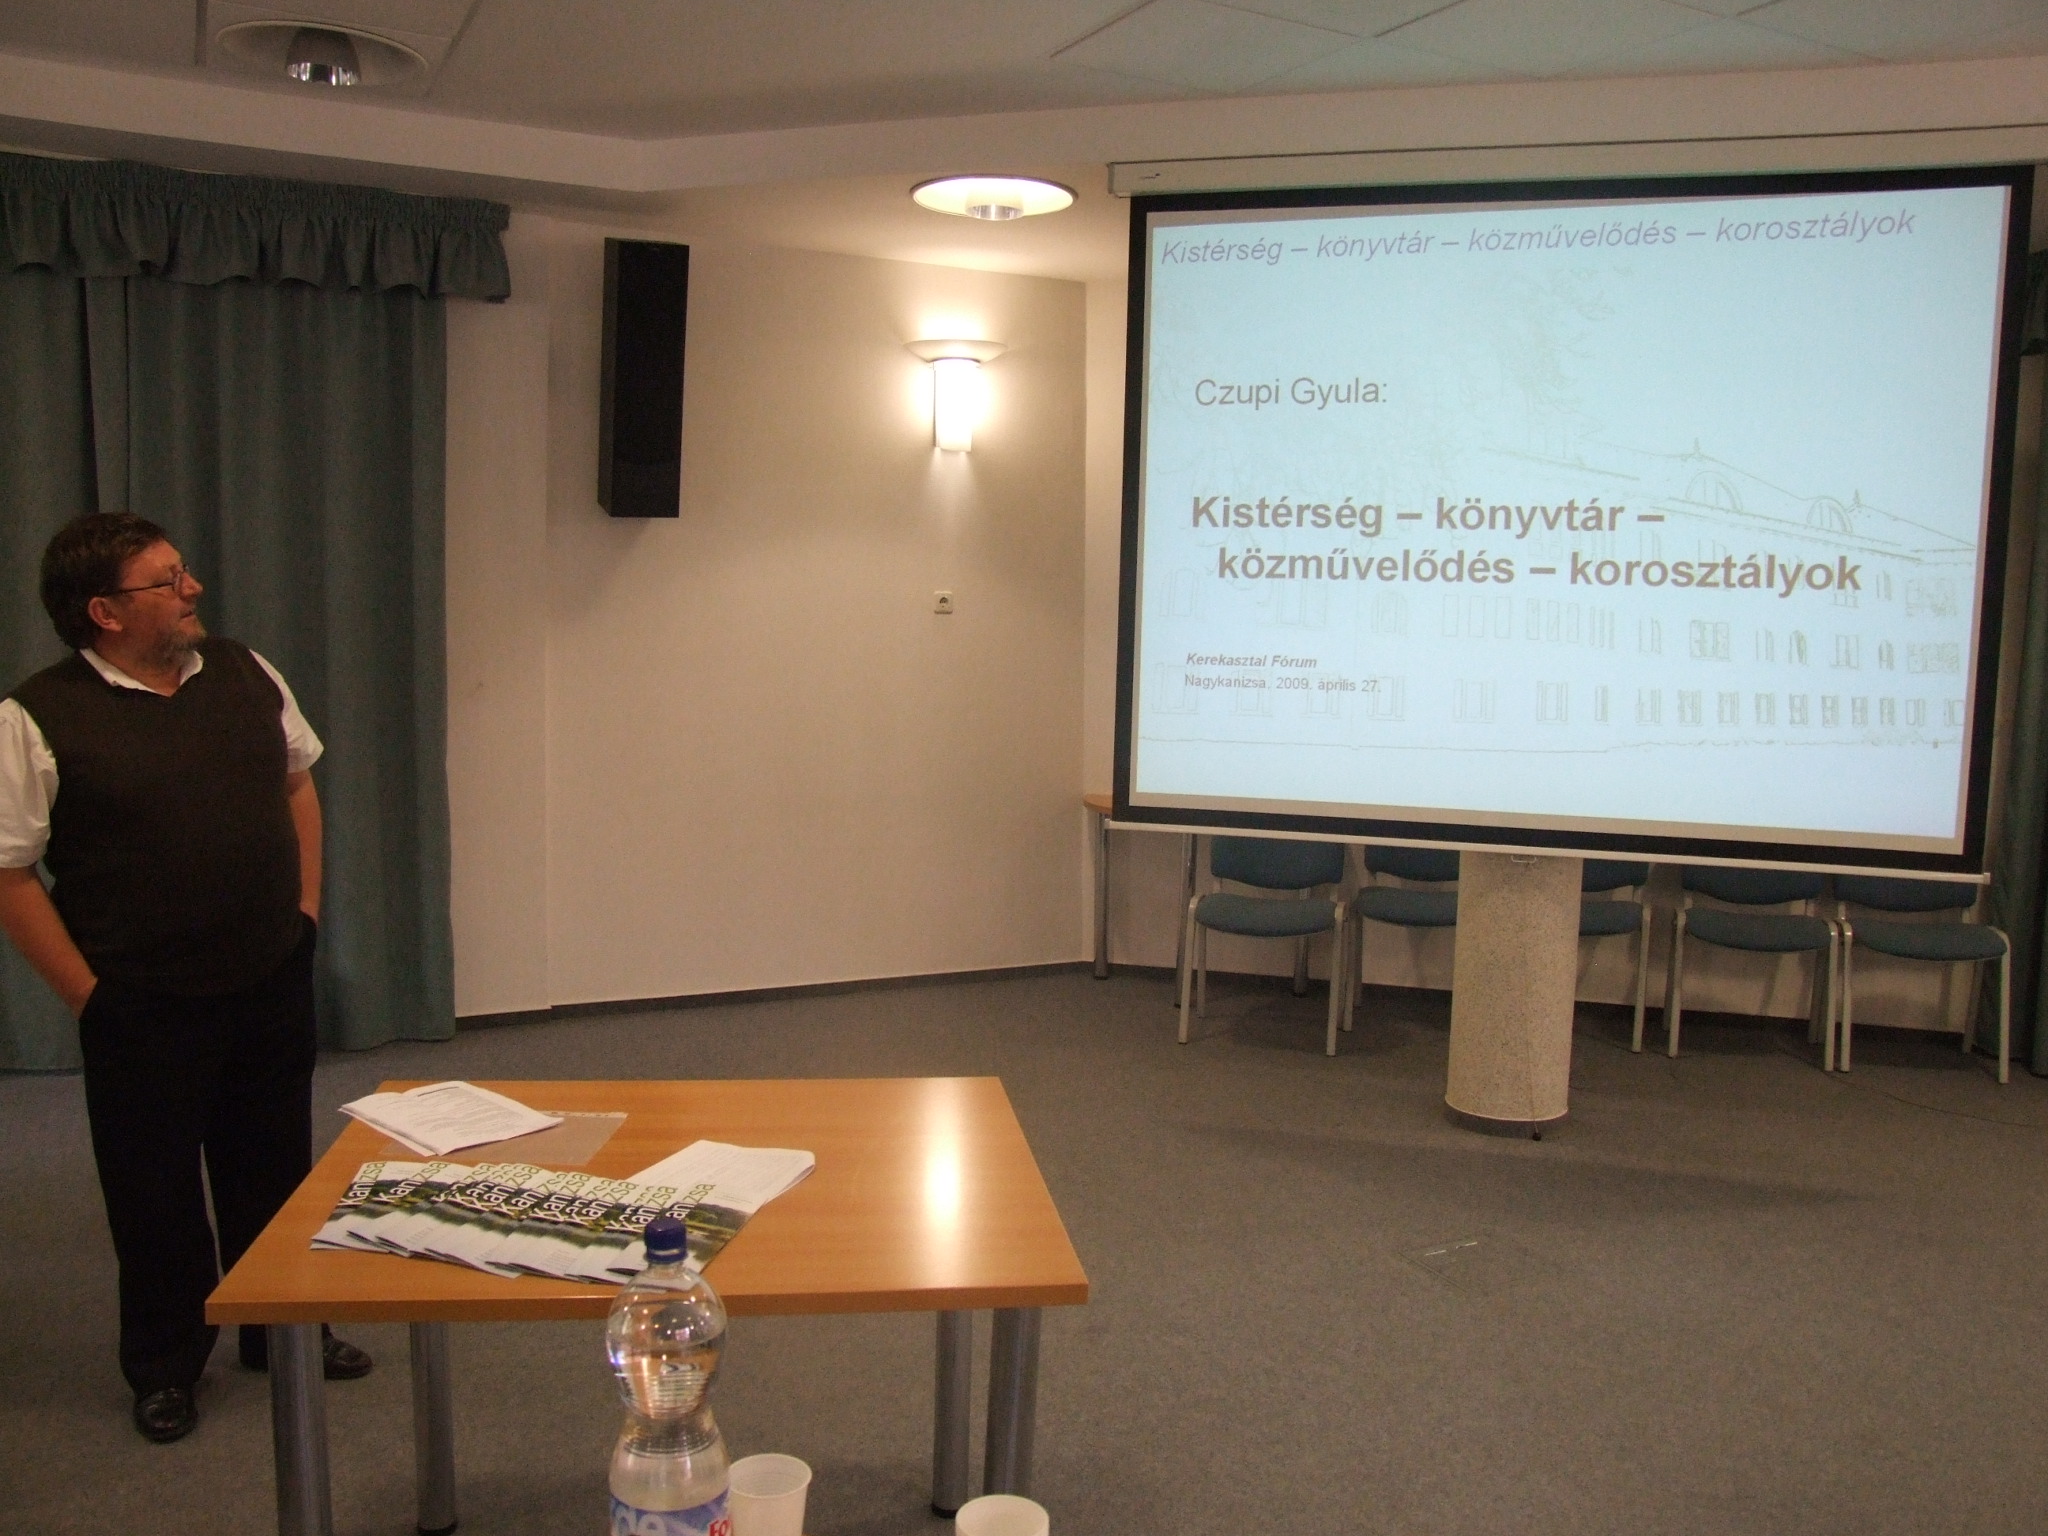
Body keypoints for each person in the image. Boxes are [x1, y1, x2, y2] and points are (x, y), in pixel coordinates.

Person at [0, 513, 372, 1444]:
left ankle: (282, 1330)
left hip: (267, 974)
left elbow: (297, 784)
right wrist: (88, 996)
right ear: (105, 612)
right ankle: (166, 1364)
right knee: (153, 1191)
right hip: (141, 1004)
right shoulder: (34, 718)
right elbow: (9, 873)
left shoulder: (247, 673)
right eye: (166, 581)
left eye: (184, 572)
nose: (191, 588)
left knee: (273, 1165)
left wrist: (305, 916)